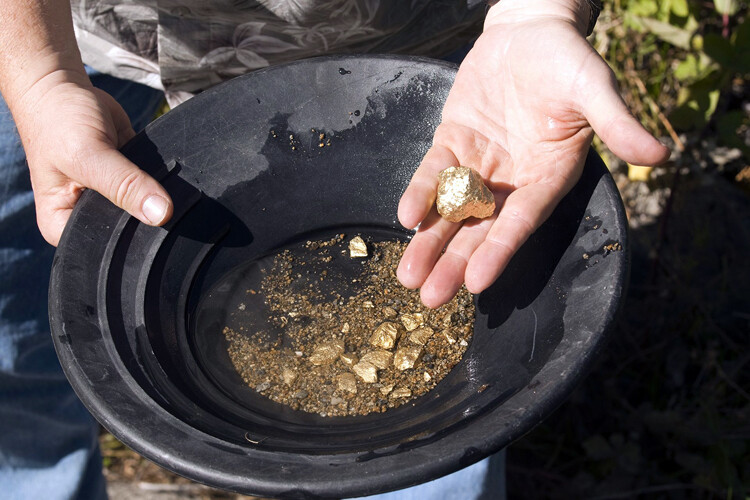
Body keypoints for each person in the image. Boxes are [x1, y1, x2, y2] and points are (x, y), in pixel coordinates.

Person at [0, 1, 669, 498]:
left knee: (423, 443)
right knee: (19, 338)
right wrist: (36, 74)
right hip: (75, 28)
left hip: (401, 35)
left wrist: (539, 13)